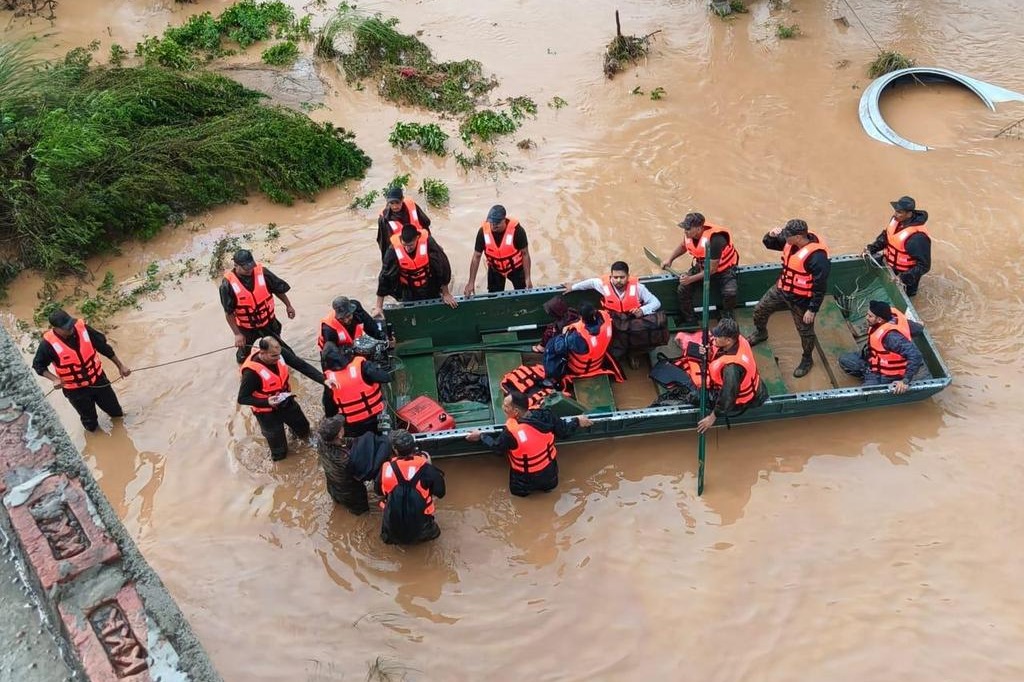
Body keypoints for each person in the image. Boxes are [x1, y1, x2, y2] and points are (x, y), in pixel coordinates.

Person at [220, 249, 323, 383]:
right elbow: (228, 313)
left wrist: (288, 305)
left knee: (281, 350)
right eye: (246, 268)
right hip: (246, 327)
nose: (250, 270)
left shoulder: (262, 272)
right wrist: (237, 334)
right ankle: (244, 376)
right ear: (236, 265)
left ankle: (285, 370)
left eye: (251, 267)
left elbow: (278, 290)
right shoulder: (227, 284)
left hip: (268, 322)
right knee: (243, 353)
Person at [466, 391, 593, 497]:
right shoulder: (547, 416)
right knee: (549, 493)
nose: (503, 408)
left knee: (519, 498)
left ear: (516, 411)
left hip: (523, 482)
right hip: (549, 477)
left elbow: (497, 448)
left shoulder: (510, 432)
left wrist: (481, 436)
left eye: (506, 406)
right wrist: (577, 421)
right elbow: (564, 431)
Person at [747, 219, 830, 378]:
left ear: (799, 237)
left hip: (801, 300)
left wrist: (812, 309)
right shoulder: (790, 243)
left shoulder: (817, 258)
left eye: (788, 235)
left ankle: (807, 359)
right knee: (759, 310)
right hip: (782, 289)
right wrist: (770, 236)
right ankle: (761, 332)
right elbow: (768, 243)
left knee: (805, 331)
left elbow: (820, 287)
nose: (784, 238)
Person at [33, 309, 132, 432]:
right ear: (56, 329)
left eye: (71, 325)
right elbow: (38, 366)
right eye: (66, 328)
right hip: (75, 391)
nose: (71, 329)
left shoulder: (83, 330)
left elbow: (104, 347)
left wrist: (120, 366)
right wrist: (55, 379)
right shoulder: (47, 345)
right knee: (90, 424)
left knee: (116, 413)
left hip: (98, 381)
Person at [238, 337, 314, 461]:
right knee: (280, 453)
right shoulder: (251, 373)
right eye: (274, 356)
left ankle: (296, 439)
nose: (278, 358)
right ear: (262, 353)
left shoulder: (279, 353)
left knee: (305, 432)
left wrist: (324, 380)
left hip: (286, 402)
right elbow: (242, 398)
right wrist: (266, 402)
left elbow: (302, 366)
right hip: (267, 414)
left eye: (279, 355)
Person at [662, 212, 740, 324]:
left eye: (688, 229)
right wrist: (670, 259)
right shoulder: (689, 235)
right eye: (685, 228)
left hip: (724, 270)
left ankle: (727, 316)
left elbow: (712, 270)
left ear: (698, 229)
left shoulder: (715, 240)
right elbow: (684, 245)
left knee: (730, 292)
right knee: (683, 289)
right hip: (702, 266)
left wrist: (690, 279)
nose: (685, 231)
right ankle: (690, 319)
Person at [693, 319, 769, 433]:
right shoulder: (738, 340)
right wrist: (708, 352)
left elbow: (728, 396)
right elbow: (719, 352)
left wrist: (712, 417)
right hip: (754, 386)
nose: (714, 338)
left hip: (741, 400)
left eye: (718, 336)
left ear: (728, 340)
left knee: (694, 396)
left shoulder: (731, 368)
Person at [374, 429, 446, 545]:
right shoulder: (426, 468)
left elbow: (378, 491)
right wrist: (429, 464)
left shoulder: (385, 468)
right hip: (422, 526)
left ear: (395, 450)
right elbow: (441, 493)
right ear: (414, 447)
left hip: (393, 525)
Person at [838, 300, 924, 394]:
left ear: (879, 319)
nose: (866, 318)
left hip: (886, 375)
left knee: (863, 393)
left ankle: (873, 380)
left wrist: (905, 381)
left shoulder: (891, 337)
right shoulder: (888, 318)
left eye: (870, 316)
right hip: (872, 362)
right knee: (844, 360)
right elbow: (917, 328)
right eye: (867, 314)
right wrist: (920, 325)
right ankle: (867, 372)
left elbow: (916, 355)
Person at [373, 223, 457, 315]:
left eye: (410, 245)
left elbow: (443, 267)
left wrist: (446, 293)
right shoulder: (393, 251)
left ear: (417, 238)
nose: (407, 248)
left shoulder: (428, 243)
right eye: (405, 245)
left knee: (434, 311)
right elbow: (384, 277)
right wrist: (378, 306)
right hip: (408, 289)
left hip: (429, 284)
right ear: (401, 240)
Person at [314, 415, 391, 515]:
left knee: (338, 507)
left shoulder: (322, 440)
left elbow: (346, 442)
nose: (343, 426)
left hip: (332, 484)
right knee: (362, 514)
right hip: (350, 493)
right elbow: (363, 472)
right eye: (341, 427)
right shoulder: (344, 458)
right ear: (339, 434)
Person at [865, 195, 931, 297]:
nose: (895, 214)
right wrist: (871, 248)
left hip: (906, 278)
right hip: (890, 267)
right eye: (896, 210)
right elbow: (886, 237)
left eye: (899, 212)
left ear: (909, 214)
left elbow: (924, 266)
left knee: (907, 297)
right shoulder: (896, 221)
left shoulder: (917, 238)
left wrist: (903, 278)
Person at [545, 303, 625, 384]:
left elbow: (559, 348)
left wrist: (563, 334)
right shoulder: (607, 320)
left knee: (552, 344)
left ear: (581, 318)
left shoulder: (577, 337)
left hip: (580, 369)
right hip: (598, 363)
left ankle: (551, 376)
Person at [321, 342, 391, 435]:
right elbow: (385, 378)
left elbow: (329, 411)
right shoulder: (362, 365)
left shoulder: (330, 380)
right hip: (376, 420)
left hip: (352, 428)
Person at [463, 205, 532, 295]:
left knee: (523, 293)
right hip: (495, 269)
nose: (493, 226)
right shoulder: (483, 233)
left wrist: (528, 278)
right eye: (492, 222)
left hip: (515, 269)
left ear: (504, 220)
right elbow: (476, 256)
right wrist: (471, 282)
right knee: (493, 296)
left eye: (497, 223)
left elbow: (525, 253)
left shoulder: (517, 231)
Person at [376, 186, 430, 258]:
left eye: (397, 202)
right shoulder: (384, 219)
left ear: (402, 199)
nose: (395, 206)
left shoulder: (412, 206)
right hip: (399, 252)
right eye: (391, 203)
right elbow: (384, 244)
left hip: (418, 243)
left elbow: (426, 224)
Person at [317, 296, 384, 352]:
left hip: (351, 345)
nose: (346, 320)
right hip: (334, 352)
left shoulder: (356, 309)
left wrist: (383, 338)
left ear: (352, 311)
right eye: (342, 318)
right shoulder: (328, 330)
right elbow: (331, 355)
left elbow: (370, 325)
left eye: (348, 316)